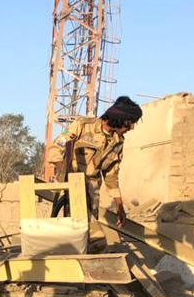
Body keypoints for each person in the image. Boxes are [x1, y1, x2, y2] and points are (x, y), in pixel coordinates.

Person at [45, 95, 143, 225]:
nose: (132, 128)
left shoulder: (117, 142)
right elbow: (56, 147)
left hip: (92, 194)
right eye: (131, 123)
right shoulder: (82, 126)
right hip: (71, 189)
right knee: (76, 231)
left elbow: (111, 176)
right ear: (120, 119)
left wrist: (119, 206)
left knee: (87, 235)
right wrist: (66, 174)